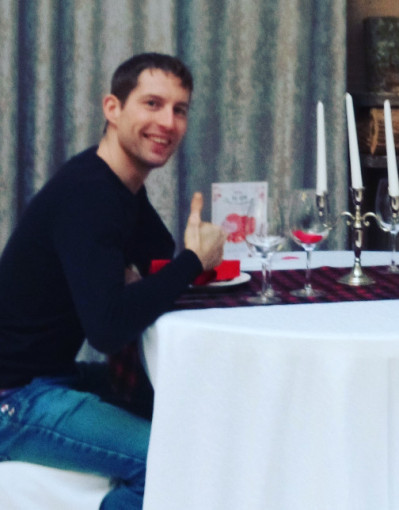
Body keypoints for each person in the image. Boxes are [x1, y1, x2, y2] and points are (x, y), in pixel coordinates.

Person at [0, 53, 225, 509]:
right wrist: (192, 261)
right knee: (172, 460)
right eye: (152, 104)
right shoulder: (90, 195)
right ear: (113, 108)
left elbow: (159, 259)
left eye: (179, 110)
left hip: (52, 375)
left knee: (195, 403)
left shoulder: (118, 186)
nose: (167, 122)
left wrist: (180, 261)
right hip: (16, 398)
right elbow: (107, 327)